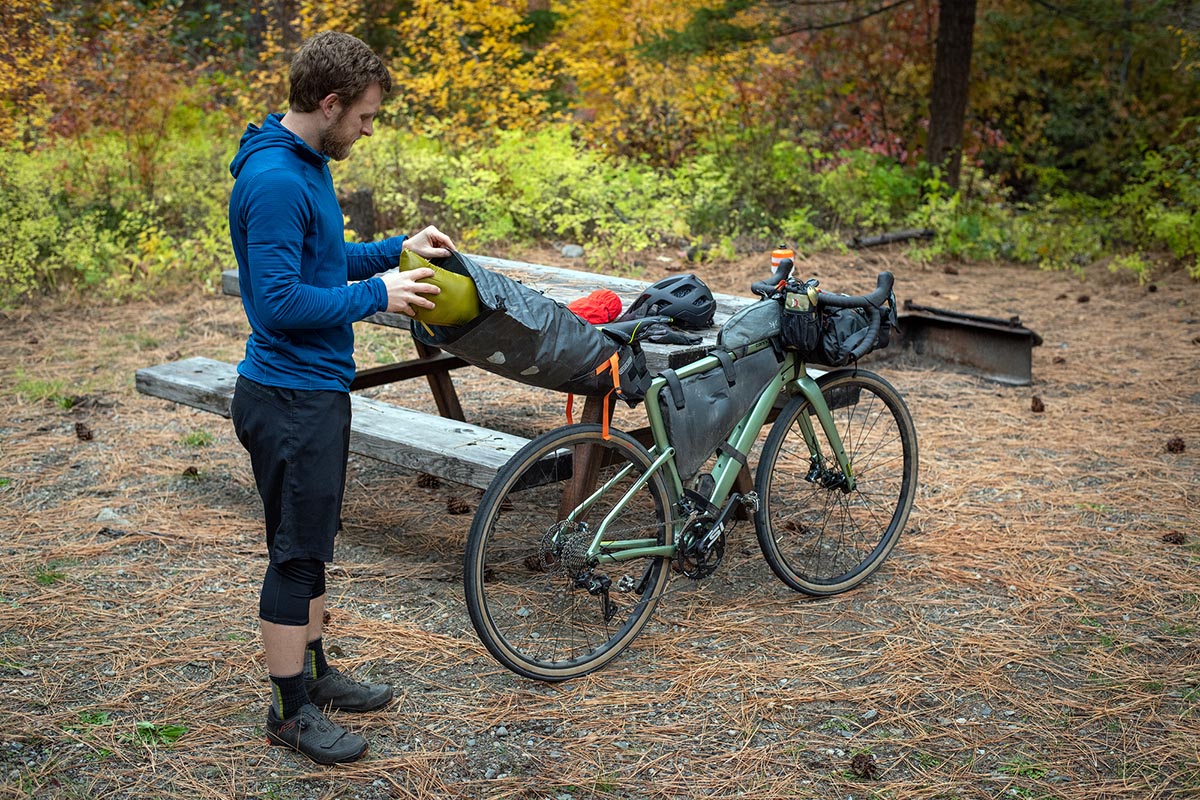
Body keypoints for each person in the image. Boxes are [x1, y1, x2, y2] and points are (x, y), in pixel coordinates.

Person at [227, 30, 454, 765]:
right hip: (288, 398)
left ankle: (316, 674)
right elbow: (281, 302)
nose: (366, 129)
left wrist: (394, 251)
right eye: (363, 117)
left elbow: (322, 261)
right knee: (296, 555)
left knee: (312, 546)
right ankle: (289, 713)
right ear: (328, 103)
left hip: (314, 392)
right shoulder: (274, 181)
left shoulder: (306, 163)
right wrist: (379, 295)